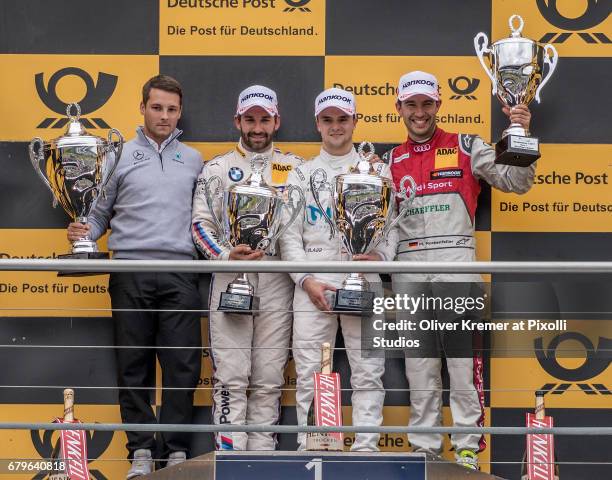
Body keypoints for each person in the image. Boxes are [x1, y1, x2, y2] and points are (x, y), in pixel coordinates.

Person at [380, 71, 536, 470]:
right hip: (409, 267)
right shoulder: (388, 162)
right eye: (411, 105)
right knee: (419, 369)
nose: (419, 113)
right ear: (399, 108)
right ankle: (425, 449)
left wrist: (517, 134)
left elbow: (517, 183)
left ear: (438, 105)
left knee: (463, 366)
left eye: (426, 104)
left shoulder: (465, 146)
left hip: (456, 260)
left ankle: (466, 446)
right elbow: (384, 228)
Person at [67, 75, 203, 478]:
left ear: (180, 112)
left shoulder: (194, 159)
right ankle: (141, 450)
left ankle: (175, 449)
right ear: (142, 107)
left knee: (183, 366)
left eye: (172, 109)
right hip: (129, 270)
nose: (164, 115)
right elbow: (97, 213)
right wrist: (82, 231)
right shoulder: (117, 155)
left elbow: (204, 221)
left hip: (180, 272)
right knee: (134, 365)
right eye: (157, 107)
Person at [279, 88, 393, 452]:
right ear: (317, 124)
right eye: (328, 120)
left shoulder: (377, 170)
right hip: (316, 283)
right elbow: (289, 238)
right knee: (313, 371)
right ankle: (317, 446)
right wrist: (306, 280)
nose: (336, 126)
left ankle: (366, 448)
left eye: (343, 119)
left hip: (364, 279)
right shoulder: (301, 173)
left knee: (368, 371)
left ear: (355, 121)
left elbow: (391, 229)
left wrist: (382, 259)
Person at [191, 85, 303, 451]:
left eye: (264, 119)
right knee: (232, 374)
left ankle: (262, 457)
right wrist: (225, 256)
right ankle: (229, 454)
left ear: (276, 122)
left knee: (270, 376)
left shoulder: (295, 168)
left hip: (277, 276)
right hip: (229, 274)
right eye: (250, 119)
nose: (257, 127)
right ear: (237, 120)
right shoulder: (217, 168)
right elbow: (199, 225)